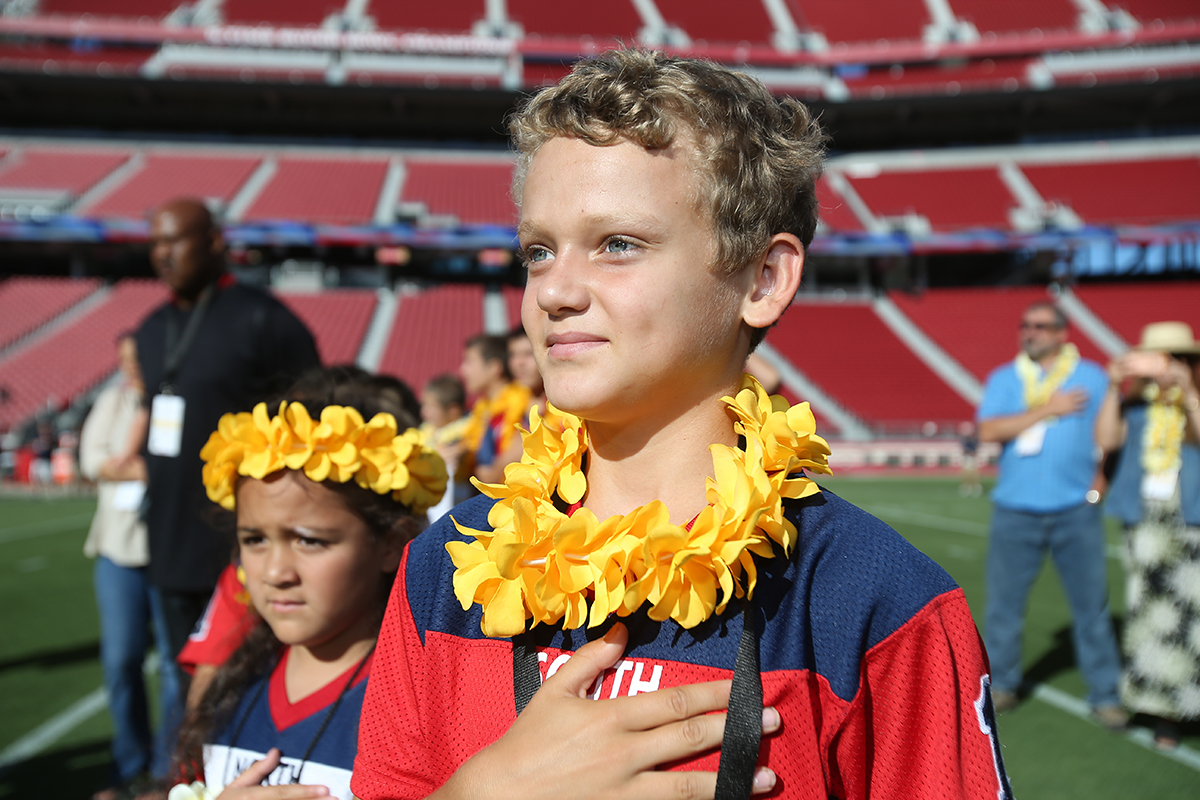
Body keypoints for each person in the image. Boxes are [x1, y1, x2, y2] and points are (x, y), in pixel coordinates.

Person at [352, 50, 1010, 800]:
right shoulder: (446, 569)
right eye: (538, 251)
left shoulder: (882, 604)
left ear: (763, 280)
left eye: (618, 245)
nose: (556, 291)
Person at [168, 370, 447, 800]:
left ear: (392, 543)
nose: (276, 572)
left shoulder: (428, 706)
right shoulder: (231, 687)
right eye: (254, 540)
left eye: (309, 541)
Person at [135, 198, 320, 678]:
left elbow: (313, 421)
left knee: (249, 686)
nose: (162, 253)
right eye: (155, 242)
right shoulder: (149, 329)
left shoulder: (265, 320)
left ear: (214, 242)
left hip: (242, 551)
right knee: (183, 693)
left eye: (174, 240)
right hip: (167, 543)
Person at [977, 301, 1126, 727]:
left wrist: (1101, 482)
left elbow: (1111, 436)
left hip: (1075, 510)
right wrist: (1048, 408)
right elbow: (989, 430)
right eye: (1026, 325)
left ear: (1063, 333)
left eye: (1041, 326)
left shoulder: (1093, 378)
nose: (1031, 332)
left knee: (1092, 607)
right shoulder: (1006, 378)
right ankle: (1002, 684)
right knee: (1004, 607)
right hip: (1015, 509)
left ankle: (1105, 693)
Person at [80, 334, 179, 799]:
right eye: (123, 359)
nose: (131, 367)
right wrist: (145, 469)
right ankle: (129, 763)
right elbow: (91, 462)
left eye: (137, 358)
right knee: (121, 661)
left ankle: (165, 769)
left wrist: (132, 466)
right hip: (118, 552)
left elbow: (179, 470)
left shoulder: (175, 402)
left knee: (177, 670)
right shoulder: (112, 401)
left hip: (169, 551)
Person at [1096, 321, 1200, 750]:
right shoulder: (1137, 404)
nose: (1165, 366)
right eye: (1158, 358)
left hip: (1191, 520)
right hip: (1146, 521)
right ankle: (1161, 711)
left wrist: (1189, 394)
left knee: (1192, 618)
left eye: (1174, 357)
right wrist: (1112, 388)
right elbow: (1105, 441)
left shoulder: (1192, 400)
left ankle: (1189, 701)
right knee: (1149, 615)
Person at [457, 334, 530, 483]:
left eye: (469, 361)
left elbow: (528, 440)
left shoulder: (523, 402)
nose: (462, 370)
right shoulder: (481, 409)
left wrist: (496, 470)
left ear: (494, 368)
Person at [419, 373, 471, 523]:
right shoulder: (427, 431)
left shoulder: (465, 434)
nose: (424, 412)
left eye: (430, 407)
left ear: (453, 410)